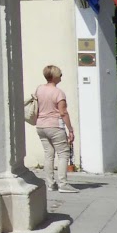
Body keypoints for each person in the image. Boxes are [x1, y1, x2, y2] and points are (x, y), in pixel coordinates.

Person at [33, 65, 77, 194]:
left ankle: (50, 183)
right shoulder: (58, 93)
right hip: (54, 126)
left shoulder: (39, 89)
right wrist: (70, 129)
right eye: (60, 74)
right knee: (63, 153)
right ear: (55, 76)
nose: (61, 76)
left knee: (49, 154)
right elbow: (63, 112)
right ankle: (63, 183)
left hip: (40, 125)